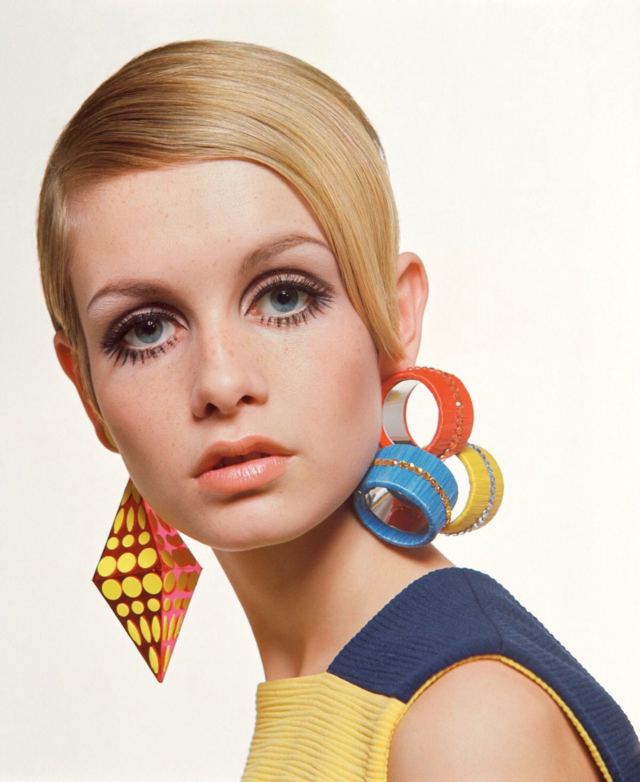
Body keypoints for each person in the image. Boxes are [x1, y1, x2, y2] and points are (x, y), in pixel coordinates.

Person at [37, 39, 639, 781]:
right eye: (146, 330)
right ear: (87, 390)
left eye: (284, 295)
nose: (221, 382)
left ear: (394, 316)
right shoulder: (349, 690)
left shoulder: (463, 720)